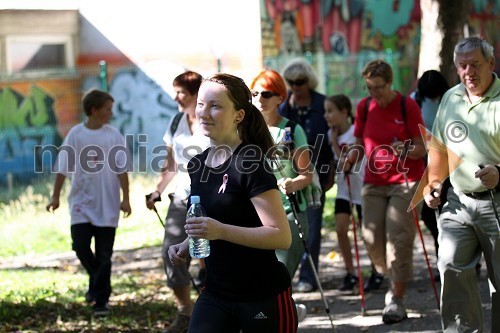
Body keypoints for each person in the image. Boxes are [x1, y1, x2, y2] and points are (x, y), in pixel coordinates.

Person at [168, 73, 298, 332]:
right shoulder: (197, 164)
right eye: (202, 104)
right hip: (216, 292)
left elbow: (281, 236)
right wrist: (185, 245)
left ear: (238, 115)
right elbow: (211, 219)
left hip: (261, 294)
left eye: (215, 106)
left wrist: (221, 232)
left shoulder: (251, 162)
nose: (204, 113)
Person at [424, 36, 500, 333]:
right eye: (463, 66)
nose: (469, 72)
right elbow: (439, 148)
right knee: (452, 270)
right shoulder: (450, 97)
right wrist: (433, 183)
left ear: (491, 64)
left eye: (476, 65)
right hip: (457, 201)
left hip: (497, 201)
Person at [345, 59, 427, 323]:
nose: (374, 93)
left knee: (399, 239)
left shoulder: (407, 105)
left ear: (390, 83)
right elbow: (360, 144)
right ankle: (390, 273)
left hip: (405, 181)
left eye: (378, 87)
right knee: (371, 238)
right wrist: (350, 158)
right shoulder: (364, 107)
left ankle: (396, 299)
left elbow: (422, 147)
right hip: (373, 182)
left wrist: (404, 149)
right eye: (369, 88)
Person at [46, 89, 132, 317]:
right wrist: (55, 196)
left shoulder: (113, 135)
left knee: (104, 254)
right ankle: (98, 282)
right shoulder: (76, 134)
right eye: (107, 109)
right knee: (80, 246)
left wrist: (126, 198)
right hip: (81, 203)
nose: (110, 114)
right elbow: (62, 168)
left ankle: (100, 300)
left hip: (108, 204)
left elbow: (122, 169)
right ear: (94, 110)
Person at [145, 71, 209, 332]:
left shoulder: (211, 120)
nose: (176, 97)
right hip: (182, 196)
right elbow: (170, 163)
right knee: (170, 252)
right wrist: (157, 190)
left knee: (209, 255)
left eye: (181, 92)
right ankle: (185, 312)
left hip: (211, 197)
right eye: (176, 91)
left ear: (196, 94)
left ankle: (216, 312)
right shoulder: (175, 122)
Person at [250, 69, 312, 321]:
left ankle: (284, 317)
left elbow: (306, 175)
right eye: (254, 93)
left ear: (280, 98)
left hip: (289, 214)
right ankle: (287, 314)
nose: (259, 99)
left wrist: (291, 183)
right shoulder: (246, 133)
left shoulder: (291, 130)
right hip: (254, 218)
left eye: (266, 94)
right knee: (258, 283)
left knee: (279, 278)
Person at [279, 58, 335, 293]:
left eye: (300, 81)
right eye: (291, 82)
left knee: (311, 229)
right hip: (288, 176)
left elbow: (331, 138)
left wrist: (331, 171)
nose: (296, 86)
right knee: (290, 229)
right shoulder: (285, 107)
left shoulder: (322, 104)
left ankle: (309, 276)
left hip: (317, 175)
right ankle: (286, 276)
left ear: (308, 81)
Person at [323, 94, 382, 292]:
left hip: (360, 189)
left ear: (344, 112)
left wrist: (333, 144)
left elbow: (349, 162)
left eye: (330, 111)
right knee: (341, 229)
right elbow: (334, 165)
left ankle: (376, 271)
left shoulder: (355, 135)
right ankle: (350, 273)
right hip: (343, 189)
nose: (327, 116)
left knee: (367, 234)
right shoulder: (331, 134)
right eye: (325, 111)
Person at [411, 70, 452, 275]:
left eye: (436, 95)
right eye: (430, 96)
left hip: (450, 162)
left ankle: (451, 258)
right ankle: (442, 257)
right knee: (429, 213)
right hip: (424, 163)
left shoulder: (452, 99)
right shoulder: (414, 101)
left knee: (448, 208)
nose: (433, 99)